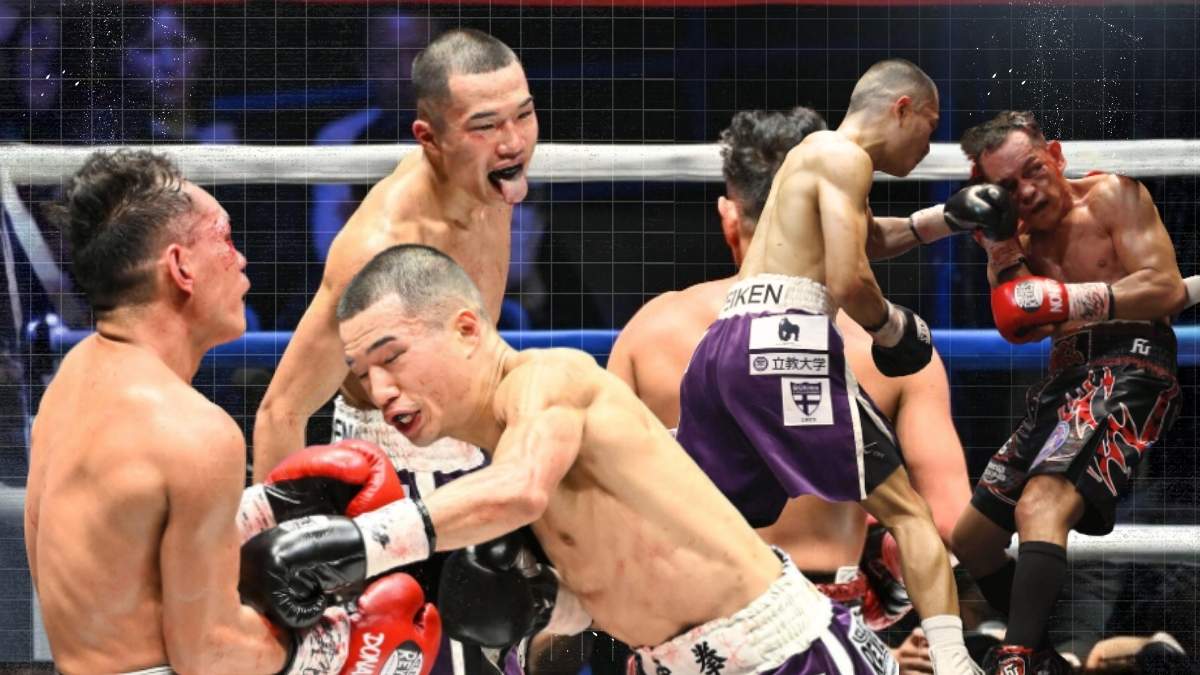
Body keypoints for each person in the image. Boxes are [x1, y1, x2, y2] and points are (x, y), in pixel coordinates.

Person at [239, 244, 901, 675]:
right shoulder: (496, 457)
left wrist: (361, 541)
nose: (380, 391)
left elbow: (521, 487)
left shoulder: (550, 380)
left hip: (786, 653)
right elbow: (600, 597)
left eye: (392, 356)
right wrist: (528, 612)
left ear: (467, 328)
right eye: (361, 374)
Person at [667, 59, 1020, 675]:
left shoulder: (815, 157)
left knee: (696, 510)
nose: (927, 147)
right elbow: (849, 277)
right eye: (929, 127)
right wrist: (891, 328)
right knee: (909, 514)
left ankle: (565, 595)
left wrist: (946, 219)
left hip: (723, 345)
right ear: (902, 108)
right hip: (784, 342)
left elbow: (865, 239)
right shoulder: (844, 156)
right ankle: (954, 662)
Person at [24, 150, 437, 675]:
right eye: (224, 239)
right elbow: (211, 653)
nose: (240, 259)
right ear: (180, 267)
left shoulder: (72, 380)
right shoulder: (196, 433)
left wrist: (253, 514)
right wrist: (333, 646)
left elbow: (115, 560)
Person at [607, 106, 974, 675]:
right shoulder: (890, 354)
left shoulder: (650, 332)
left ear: (730, 216)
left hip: (693, 624)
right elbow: (950, 527)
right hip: (826, 625)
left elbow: (606, 500)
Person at [947, 111, 1187, 675]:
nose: (1026, 192)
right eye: (1006, 187)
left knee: (1041, 503)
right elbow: (1017, 324)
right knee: (973, 538)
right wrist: (1000, 245)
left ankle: (1017, 657)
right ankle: (1047, 658)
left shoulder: (1113, 196)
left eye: (1033, 170)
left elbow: (1166, 286)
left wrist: (1071, 300)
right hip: (1063, 380)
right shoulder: (1015, 237)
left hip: (1132, 362)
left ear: (1055, 154)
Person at [254, 27, 536, 479]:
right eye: (485, 126)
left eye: (523, 115)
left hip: (479, 454)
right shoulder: (378, 250)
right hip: (386, 469)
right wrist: (288, 538)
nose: (513, 143)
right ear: (429, 139)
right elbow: (281, 414)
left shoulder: (493, 187)